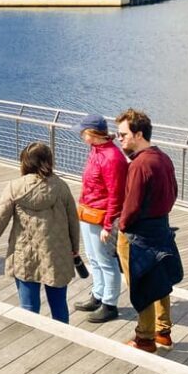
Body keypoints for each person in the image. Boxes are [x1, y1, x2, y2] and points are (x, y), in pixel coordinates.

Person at [0, 142, 79, 324]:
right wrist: (75, 247)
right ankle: (63, 338)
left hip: (25, 252)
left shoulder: (14, 188)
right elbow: (73, 221)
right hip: (56, 253)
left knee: (29, 307)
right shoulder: (61, 187)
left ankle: (33, 335)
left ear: (25, 163)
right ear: (49, 161)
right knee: (59, 305)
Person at [115, 109, 183, 353]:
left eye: (123, 135)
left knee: (141, 282)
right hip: (161, 227)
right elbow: (174, 192)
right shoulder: (163, 158)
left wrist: (121, 226)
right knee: (161, 279)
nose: (119, 139)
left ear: (138, 134)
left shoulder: (140, 164)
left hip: (139, 234)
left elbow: (131, 204)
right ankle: (163, 332)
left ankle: (144, 338)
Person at [72, 114, 127, 323]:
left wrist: (108, 225)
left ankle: (109, 304)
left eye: (83, 132)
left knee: (106, 260)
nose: (81, 135)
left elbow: (116, 194)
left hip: (101, 216)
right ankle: (98, 294)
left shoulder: (112, 158)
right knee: (93, 257)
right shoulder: (96, 150)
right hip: (88, 211)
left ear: (93, 133)